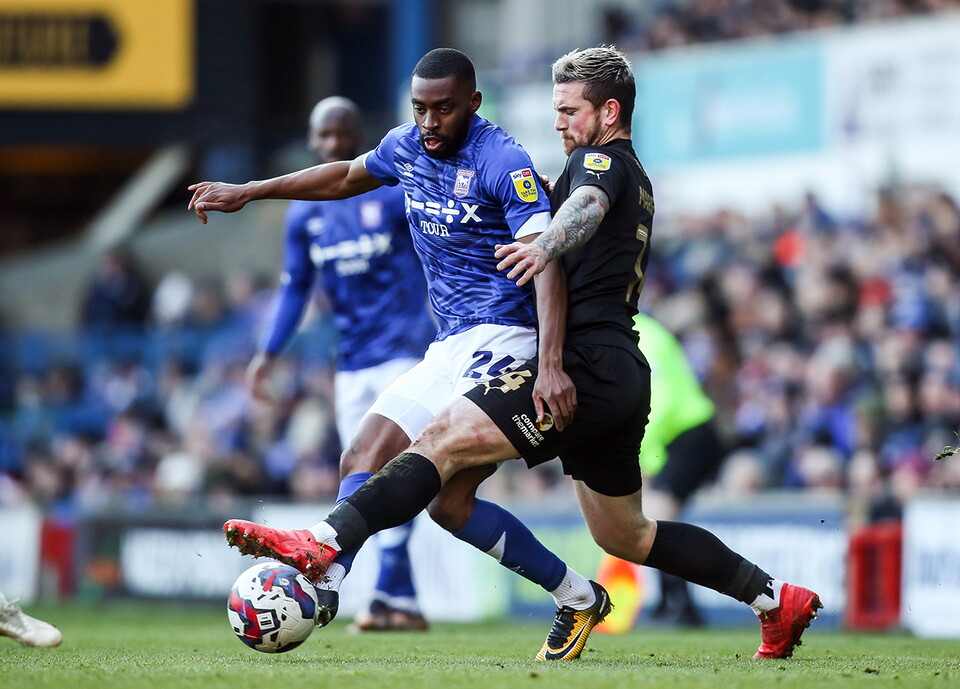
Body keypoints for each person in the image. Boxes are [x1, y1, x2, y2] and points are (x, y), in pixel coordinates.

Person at [217, 45, 822, 662]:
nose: (558, 122)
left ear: (609, 112)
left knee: (440, 444)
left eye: (569, 110)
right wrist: (253, 191)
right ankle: (773, 600)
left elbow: (586, 206)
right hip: (613, 369)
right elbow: (355, 176)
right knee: (622, 535)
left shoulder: (597, 163)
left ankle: (323, 544)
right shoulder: (619, 171)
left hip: (580, 365)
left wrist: (545, 250)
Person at [191, 48, 605, 658]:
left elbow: (546, 262)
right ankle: (576, 595)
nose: (430, 122)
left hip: (506, 337)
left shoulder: (502, 160)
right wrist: (251, 191)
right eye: (420, 109)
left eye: (444, 109)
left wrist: (548, 364)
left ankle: (323, 554)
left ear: (473, 102)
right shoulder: (405, 146)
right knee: (397, 475)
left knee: (433, 466)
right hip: (450, 342)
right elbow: (342, 177)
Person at [249, 96, 437, 631]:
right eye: (325, 135)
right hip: (351, 360)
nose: (334, 143)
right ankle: (399, 600)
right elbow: (294, 289)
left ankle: (368, 589)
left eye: (343, 134)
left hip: (405, 352)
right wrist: (268, 352)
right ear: (313, 141)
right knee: (357, 471)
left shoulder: (393, 191)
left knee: (393, 469)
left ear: (358, 138)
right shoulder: (305, 211)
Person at [596, 312, 727, 630]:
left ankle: (680, 604)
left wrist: (644, 458)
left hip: (690, 433)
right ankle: (674, 603)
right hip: (681, 436)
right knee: (658, 517)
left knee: (659, 513)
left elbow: (660, 399)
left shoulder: (641, 336)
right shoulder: (635, 331)